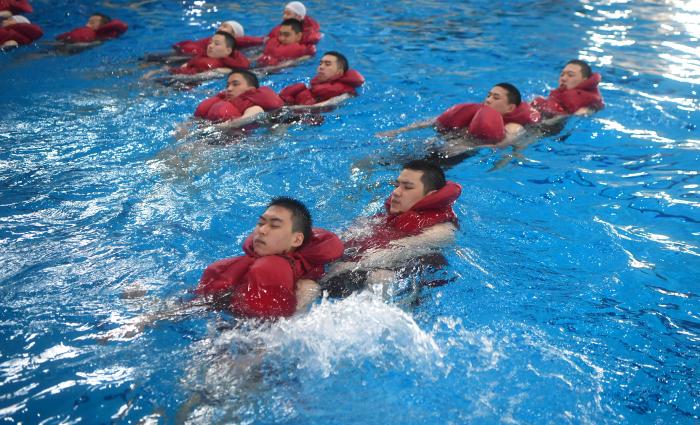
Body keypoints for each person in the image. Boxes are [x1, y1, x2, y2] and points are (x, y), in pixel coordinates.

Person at [320, 160, 462, 297]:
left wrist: (351, 266)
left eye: (407, 187)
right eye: (396, 185)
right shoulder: (386, 218)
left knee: (381, 279)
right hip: (358, 268)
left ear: (430, 195)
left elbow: (397, 251)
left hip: (401, 280)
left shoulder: (441, 230)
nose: (396, 192)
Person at [195, 197, 344, 318]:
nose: (262, 230)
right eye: (260, 223)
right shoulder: (237, 268)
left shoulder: (307, 285)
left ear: (296, 240)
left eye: (274, 226)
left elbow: (284, 328)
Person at [378, 83, 540, 145]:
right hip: (442, 142)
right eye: (488, 95)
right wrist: (398, 131)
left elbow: (501, 145)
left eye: (495, 97)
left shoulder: (513, 126)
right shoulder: (472, 114)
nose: (488, 100)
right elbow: (434, 121)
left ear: (510, 108)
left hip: (459, 153)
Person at [194, 69, 284, 122]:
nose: (229, 89)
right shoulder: (222, 102)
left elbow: (240, 122)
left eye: (235, 84)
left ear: (251, 89)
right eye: (227, 85)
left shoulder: (255, 108)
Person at [279, 51, 365, 106]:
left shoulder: (346, 93)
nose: (321, 67)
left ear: (339, 72)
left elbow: (327, 105)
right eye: (320, 63)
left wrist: (295, 109)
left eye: (327, 64)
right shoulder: (313, 85)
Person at [531, 59, 604, 117]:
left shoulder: (589, 103)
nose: (563, 78)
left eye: (570, 75)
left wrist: (588, 110)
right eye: (562, 74)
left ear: (584, 80)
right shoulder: (561, 95)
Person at [170, 31, 249, 75]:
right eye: (210, 43)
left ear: (228, 51)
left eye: (216, 44)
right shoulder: (201, 56)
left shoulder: (222, 70)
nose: (210, 46)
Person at [172, 20, 263, 56]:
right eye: (220, 26)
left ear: (234, 34)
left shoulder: (238, 51)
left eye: (224, 26)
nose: (219, 28)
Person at [55, 13, 128, 43]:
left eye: (92, 23)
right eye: (87, 22)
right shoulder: (84, 33)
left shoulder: (105, 37)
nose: (87, 25)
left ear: (103, 26)